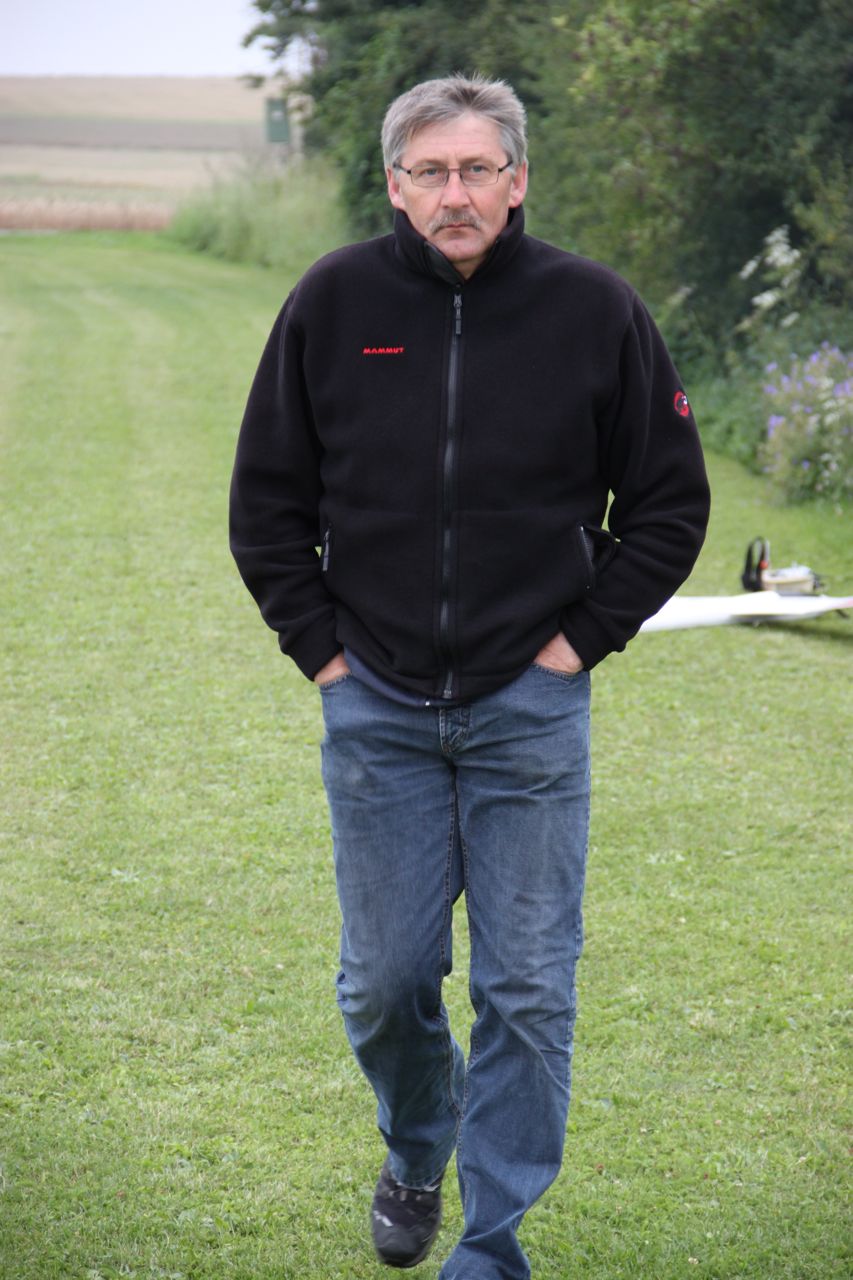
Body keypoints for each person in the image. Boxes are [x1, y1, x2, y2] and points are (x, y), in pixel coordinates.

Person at [230, 73, 710, 1280]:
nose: (456, 192)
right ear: (395, 185)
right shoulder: (333, 301)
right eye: (431, 171)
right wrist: (323, 653)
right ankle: (416, 1141)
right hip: (376, 706)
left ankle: (490, 1247)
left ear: (518, 180)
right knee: (384, 982)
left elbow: (667, 503)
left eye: (478, 169)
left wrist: (575, 643)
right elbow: (266, 503)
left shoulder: (593, 310)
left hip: (528, 708)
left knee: (527, 989)